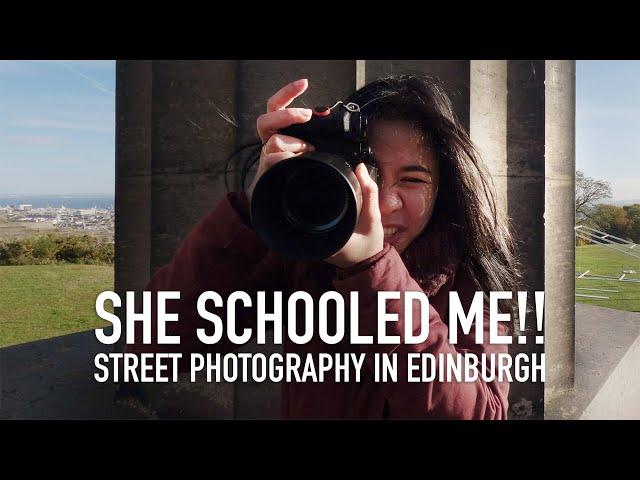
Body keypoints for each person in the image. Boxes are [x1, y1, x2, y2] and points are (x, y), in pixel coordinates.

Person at [125, 74, 521, 419]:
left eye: (413, 180)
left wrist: (373, 275)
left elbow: (481, 411)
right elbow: (154, 342)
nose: (384, 202)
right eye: (370, 172)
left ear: (443, 190)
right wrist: (258, 207)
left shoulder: (465, 273)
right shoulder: (307, 255)